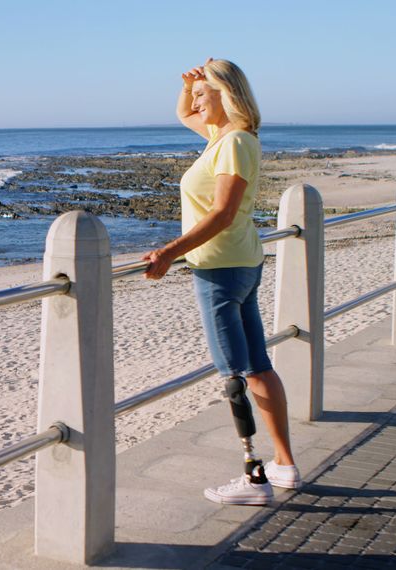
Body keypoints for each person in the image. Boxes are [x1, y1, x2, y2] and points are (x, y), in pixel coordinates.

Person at [141, 58, 300, 505]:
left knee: (233, 373)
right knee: (256, 366)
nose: (193, 103)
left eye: (202, 94)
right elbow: (184, 115)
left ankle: (254, 479)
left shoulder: (232, 143)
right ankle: (284, 466)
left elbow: (223, 213)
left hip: (219, 268)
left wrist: (170, 252)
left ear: (226, 96)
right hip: (241, 262)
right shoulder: (227, 138)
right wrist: (189, 83)